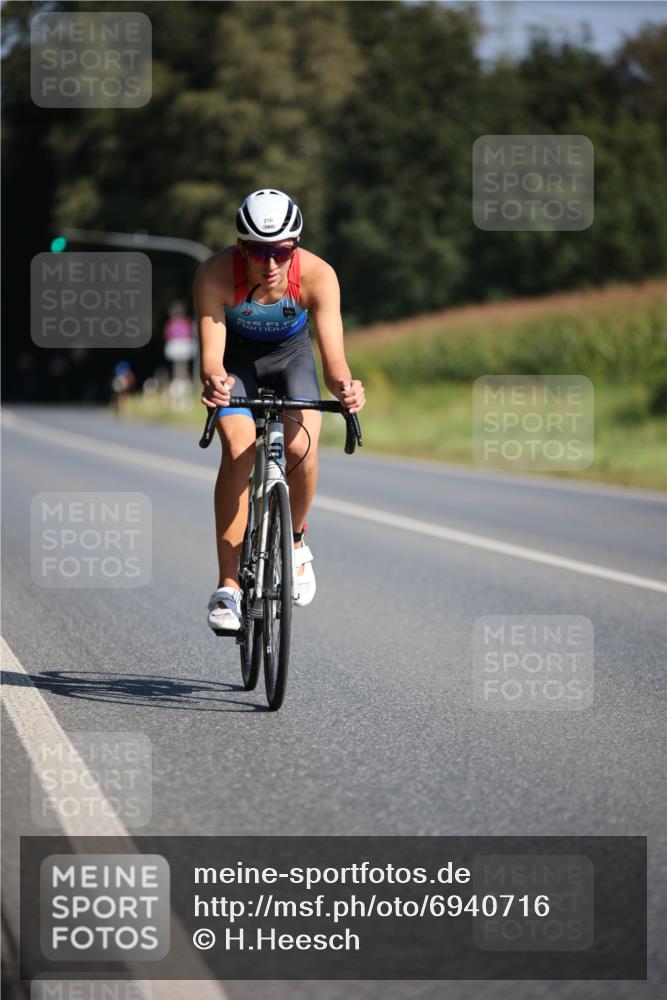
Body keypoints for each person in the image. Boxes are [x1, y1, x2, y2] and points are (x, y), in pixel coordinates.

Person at [195, 189, 366, 632]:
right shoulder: (214, 274)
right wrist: (213, 379)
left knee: (303, 450)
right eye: (257, 251)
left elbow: (334, 363)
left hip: (292, 359)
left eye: (280, 252)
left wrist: (347, 388)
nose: (270, 264)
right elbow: (212, 359)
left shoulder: (318, 275)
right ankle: (228, 587)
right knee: (238, 449)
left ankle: (294, 540)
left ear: (295, 246)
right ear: (240, 248)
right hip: (238, 363)